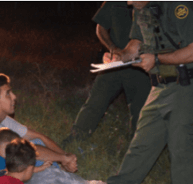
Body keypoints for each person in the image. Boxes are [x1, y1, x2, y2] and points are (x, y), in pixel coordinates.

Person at [106, 2, 193, 184]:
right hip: (159, 86)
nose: (127, 2)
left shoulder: (179, 5)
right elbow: (135, 46)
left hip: (187, 86)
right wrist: (119, 56)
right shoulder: (141, 8)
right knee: (142, 143)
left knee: (181, 148)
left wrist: (157, 58)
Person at [62, 1, 151, 145]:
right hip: (114, 63)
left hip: (139, 65)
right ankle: (76, 138)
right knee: (95, 101)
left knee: (140, 110)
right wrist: (112, 48)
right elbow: (100, 27)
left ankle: (138, 147)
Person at [0, 73, 78, 173]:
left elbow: (39, 136)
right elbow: (24, 150)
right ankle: (57, 174)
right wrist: (62, 158)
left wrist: (66, 158)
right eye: (8, 93)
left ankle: (59, 171)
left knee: (37, 141)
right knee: (27, 152)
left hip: (5, 164)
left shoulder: (4, 119)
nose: (14, 96)